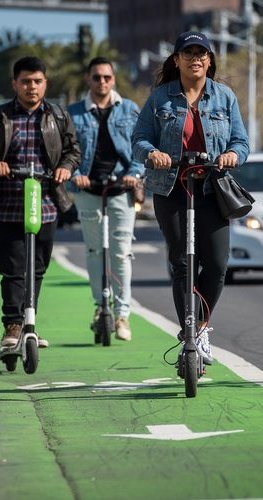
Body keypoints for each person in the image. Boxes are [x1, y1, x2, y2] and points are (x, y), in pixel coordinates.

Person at [132, 32, 249, 364]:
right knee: (183, 262)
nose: (195, 58)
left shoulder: (224, 97)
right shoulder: (160, 98)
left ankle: (198, 327)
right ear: (176, 60)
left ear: (209, 60)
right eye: (188, 52)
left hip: (213, 188)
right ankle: (189, 327)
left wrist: (231, 156)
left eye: (201, 53)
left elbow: (241, 142)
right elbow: (139, 138)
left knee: (217, 264)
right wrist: (152, 153)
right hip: (172, 187)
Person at [0, 56, 81, 349]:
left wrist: (65, 166)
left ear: (45, 84)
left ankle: (30, 322)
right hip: (6, 204)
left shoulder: (57, 116)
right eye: (26, 81)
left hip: (46, 203)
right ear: (15, 84)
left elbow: (73, 151)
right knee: (13, 269)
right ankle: (13, 326)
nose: (32, 87)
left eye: (37, 81)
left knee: (38, 268)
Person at [68, 56, 144, 341]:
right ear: (88, 79)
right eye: (97, 77)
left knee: (121, 251)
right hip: (88, 188)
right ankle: (100, 307)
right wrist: (75, 173)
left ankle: (122, 314)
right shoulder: (74, 113)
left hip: (121, 189)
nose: (102, 82)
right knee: (94, 250)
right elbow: (67, 151)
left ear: (113, 79)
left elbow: (140, 148)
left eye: (107, 77)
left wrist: (133, 173)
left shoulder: (129, 109)